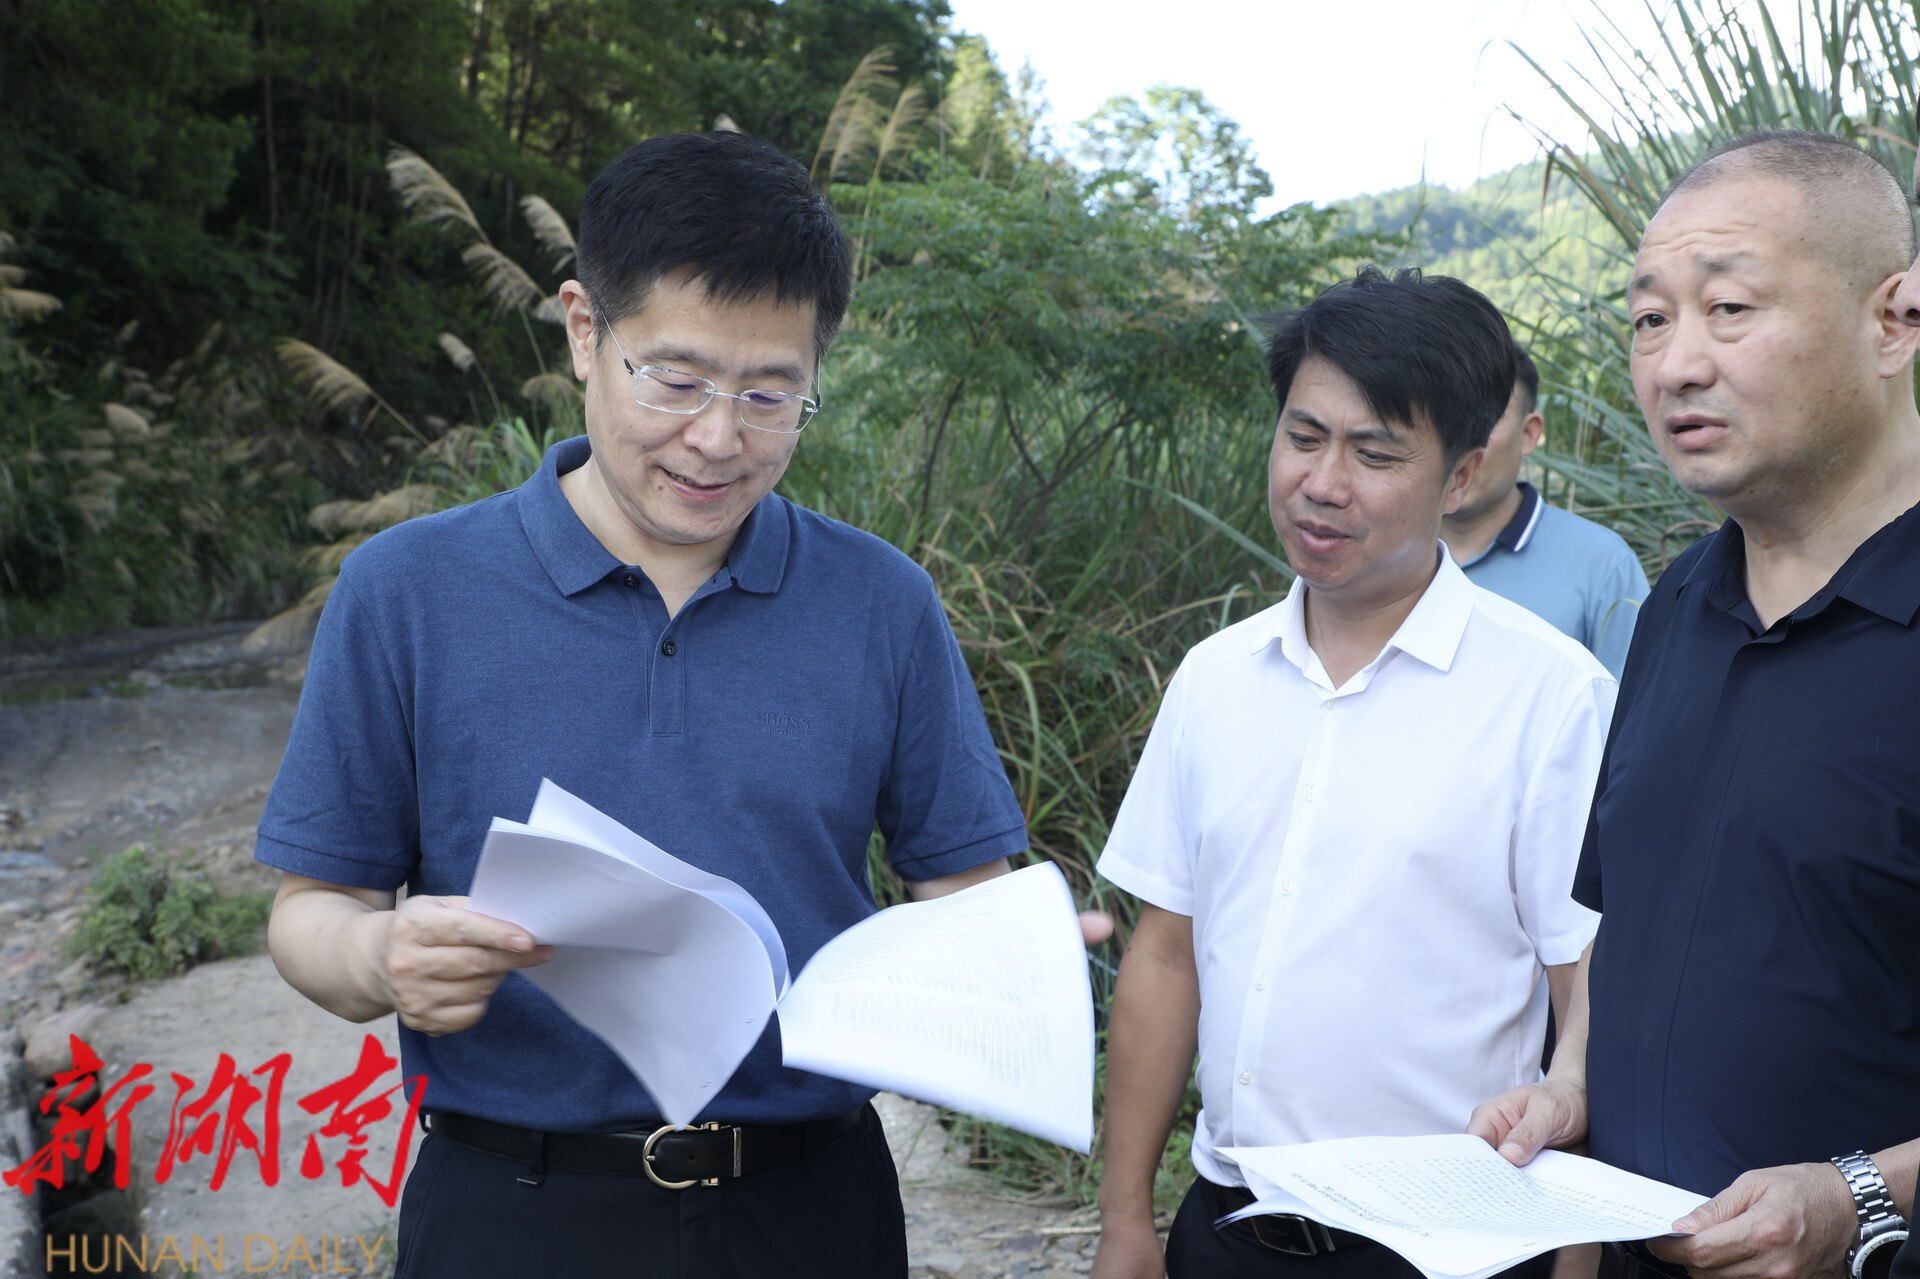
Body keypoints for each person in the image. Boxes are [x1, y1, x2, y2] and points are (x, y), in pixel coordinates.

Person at [254, 131, 1046, 1279]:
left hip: (810, 1208)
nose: (718, 438)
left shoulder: (881, 602)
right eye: (675, 380)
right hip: (512, 1211)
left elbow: (965, 890)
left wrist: (1010, 957)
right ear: (584, 329)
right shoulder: (407, 589)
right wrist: (381, 955)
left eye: (771, 393)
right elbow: (310, 912)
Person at [1089, 267, 1616, 1279]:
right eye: (1303, 436)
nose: (1323, 482)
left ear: (1461, 476)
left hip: (1450, 1246)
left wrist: (1577, 1261)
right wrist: (1125, 1222)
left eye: (1374, 454)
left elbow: (1585, 993)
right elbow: (1166, 955)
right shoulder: (1214, 677)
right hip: (1227, 1231)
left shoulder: (1549, 696)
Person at [1470, 128, 1920, 1279]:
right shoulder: (1676, 603)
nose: (1674, 365)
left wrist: (1862, 1193)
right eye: (1648, 319)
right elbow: (1627, 923)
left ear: (1895, 320)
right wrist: (1572, 1084)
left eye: (1728, 309)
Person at [1440, 351, 1649, 677]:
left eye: (1483, 419)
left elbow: (1634, 703)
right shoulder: (1381, 554)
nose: (1457, 443)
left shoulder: (1603, 565)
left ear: (1529, 434)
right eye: (1442, 416)